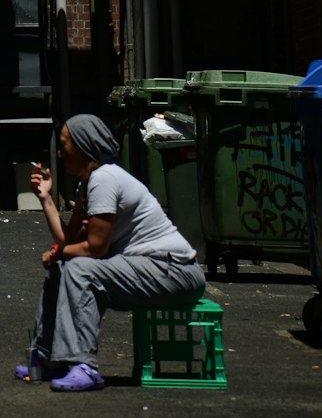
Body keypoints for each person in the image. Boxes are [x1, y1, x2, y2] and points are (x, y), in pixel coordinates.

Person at [25, 113, 205, 392]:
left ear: (84, 146)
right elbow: (71, 240)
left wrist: (59, 252)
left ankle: (84, 365)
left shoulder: (105, 179)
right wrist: (46, 198)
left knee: (79, 268)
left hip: (174, 271)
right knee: (64, 266)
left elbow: (94, 249)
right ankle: (49, 360)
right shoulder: (88, 182)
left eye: (65, 145)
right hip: (147, 268)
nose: (60, 153)